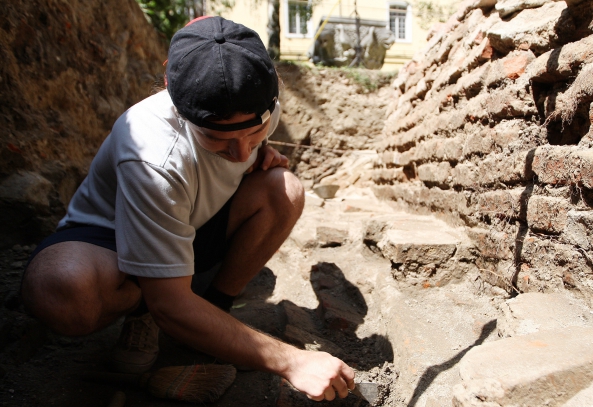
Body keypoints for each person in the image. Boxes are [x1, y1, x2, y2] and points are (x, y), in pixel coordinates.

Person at [20, 16, 354, 402]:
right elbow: (170, 302)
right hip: (109, 241)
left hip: (193, 227)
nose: (239, 153)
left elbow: (244, 144)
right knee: (61, 292)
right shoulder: (151, 155)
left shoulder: (260, 104)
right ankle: (152, 307)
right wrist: (291, 361)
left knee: (286, 190)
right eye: (216, 138)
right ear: (176, 101)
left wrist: (265, 151)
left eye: (253, 134)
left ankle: (212, 312)